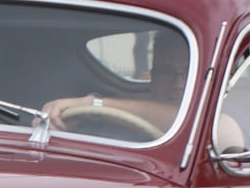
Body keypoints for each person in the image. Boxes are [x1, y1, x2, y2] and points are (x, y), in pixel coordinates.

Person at [44, 33, 191, 135]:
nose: (178, 83)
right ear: (152, 77)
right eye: (166, 72)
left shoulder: (210, 125)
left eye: (189, 72)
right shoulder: (109, 125)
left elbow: (185, 120)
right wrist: (58, 122)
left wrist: (91, 104)